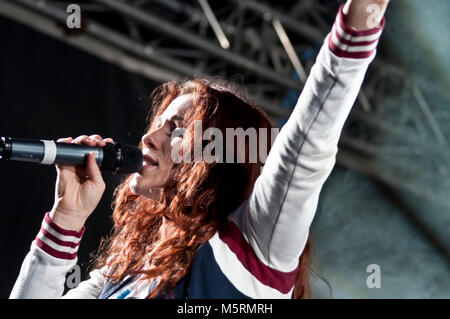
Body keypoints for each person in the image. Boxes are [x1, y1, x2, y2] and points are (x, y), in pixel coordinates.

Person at [10, 0, 389, 299]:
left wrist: (357, 27)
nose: (148, 138)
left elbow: (306, 144)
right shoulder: (124, 273)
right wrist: (67, 219)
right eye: (156, 125)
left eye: (175, 130)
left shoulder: (258, 242)